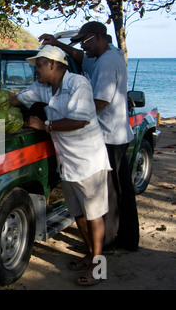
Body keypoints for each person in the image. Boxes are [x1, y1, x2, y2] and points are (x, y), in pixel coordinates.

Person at [11, 45, 111, 286]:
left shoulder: (78, 84)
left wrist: (45, 126)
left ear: (53, 65)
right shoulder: (44, 88)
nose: (36, 71)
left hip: (89, 161)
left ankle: (99, 267)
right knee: (78, 213)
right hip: (67, 162)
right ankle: (89, 255)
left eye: (39, 66)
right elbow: (18, 98)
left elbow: (80, 120)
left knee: (94, 215)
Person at [39, 22, 139, 252]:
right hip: (117, 133)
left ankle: (109, 244)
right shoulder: (105, 57)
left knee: (110, 196)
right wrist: (56, 44)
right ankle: (127, 238)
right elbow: (80, 57)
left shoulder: (107, 63)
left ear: (98, 38)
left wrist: (67, 117)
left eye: (85, 42)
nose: (83, 48)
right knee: (122, 189)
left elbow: (100, 103)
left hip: (109, 136)